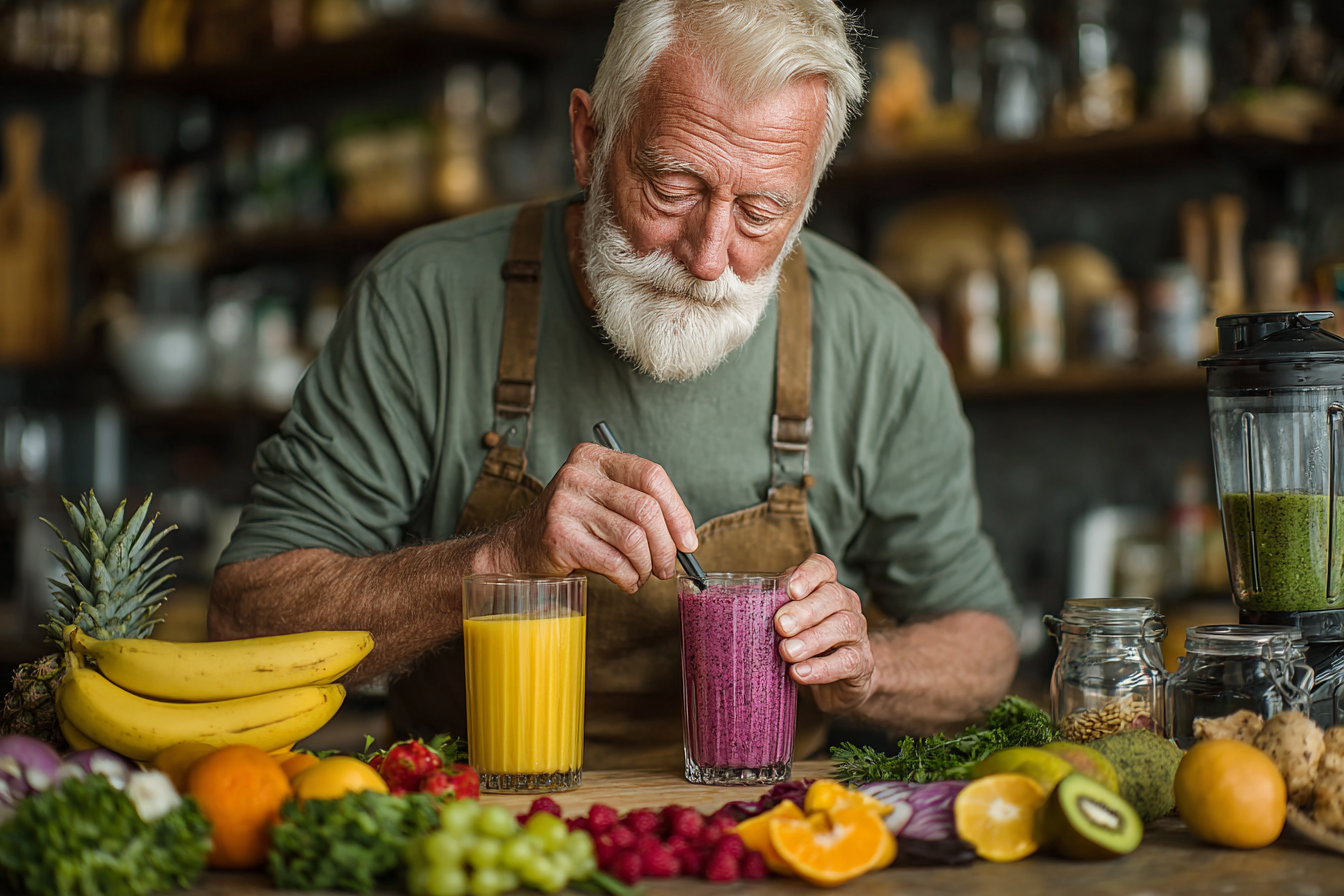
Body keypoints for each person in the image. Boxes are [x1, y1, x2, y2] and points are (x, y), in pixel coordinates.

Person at [209, 0, 1021, 769]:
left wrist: (870, 666)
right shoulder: (424, 298)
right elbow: (246, 621)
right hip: (473, 829)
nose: (707, 259)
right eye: (672, 189)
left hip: (767, 843)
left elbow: (983, 645)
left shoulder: (875, 336)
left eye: (761, 213)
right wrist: (499, 557)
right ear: (589, 137)